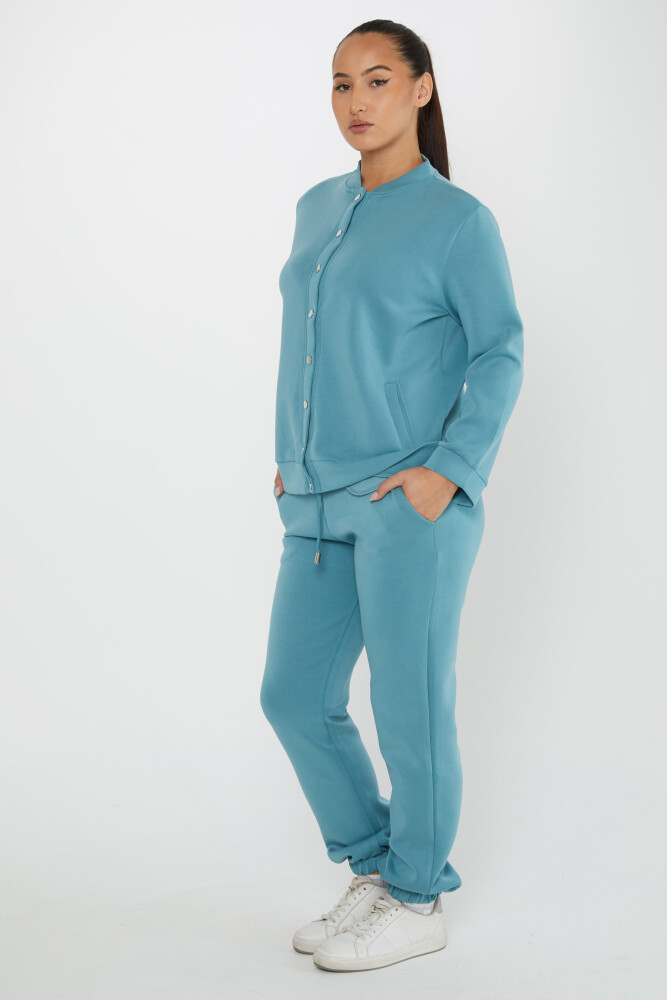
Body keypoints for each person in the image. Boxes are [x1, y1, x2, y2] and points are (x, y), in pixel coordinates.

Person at [260, 18, 524, 973]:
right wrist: (293, 453)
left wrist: (448, 469)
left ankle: (417, 894)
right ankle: (377, 866)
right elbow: (311, 343)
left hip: (408, 504)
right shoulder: (316, 206)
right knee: (293, 697)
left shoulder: (456, 220)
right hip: (315, 501)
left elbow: (500, 349)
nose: (355, 101)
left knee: (407, 706)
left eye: (376, 80)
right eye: (340, 84)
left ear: (420, 88)